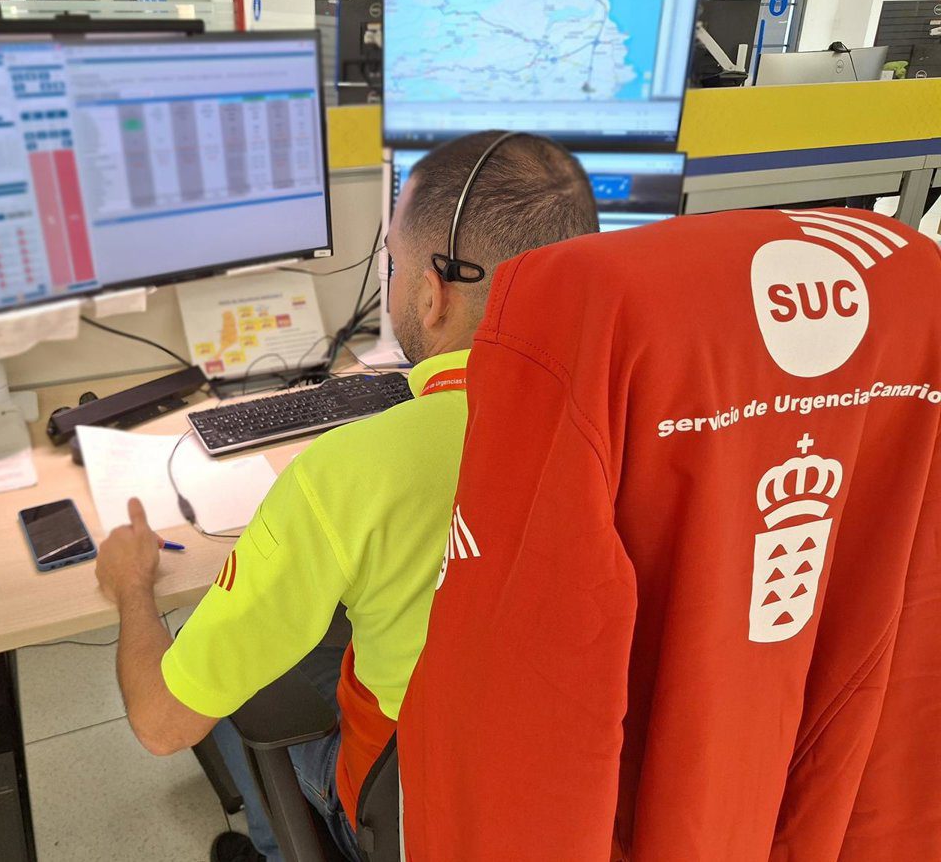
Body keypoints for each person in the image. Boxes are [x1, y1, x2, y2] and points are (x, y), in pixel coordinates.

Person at [92, 130, 599, 862]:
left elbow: (161, 725)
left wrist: (132, 591)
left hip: (410, 821)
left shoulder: (350, 473)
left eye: (393, 261)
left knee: (236, 669)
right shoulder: (658, 419)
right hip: (572, 804)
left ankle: (281, 847)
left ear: (432, 295)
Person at [397, 207, 941, 860]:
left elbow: (531, 693)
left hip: (662, 809)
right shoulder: (916, 283)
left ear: (433, 291)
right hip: (827, 790)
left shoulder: (566, 320)